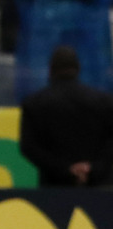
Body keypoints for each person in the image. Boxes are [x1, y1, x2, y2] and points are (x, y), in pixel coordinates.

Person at [20, 47, 113, 187]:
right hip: (99, 187)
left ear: (50, 70)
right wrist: (93, 168)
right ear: (78, 69)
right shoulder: (105, 101)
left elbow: (29, 147)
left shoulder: (34, 103)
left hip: (54, 188)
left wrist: (65, 169)